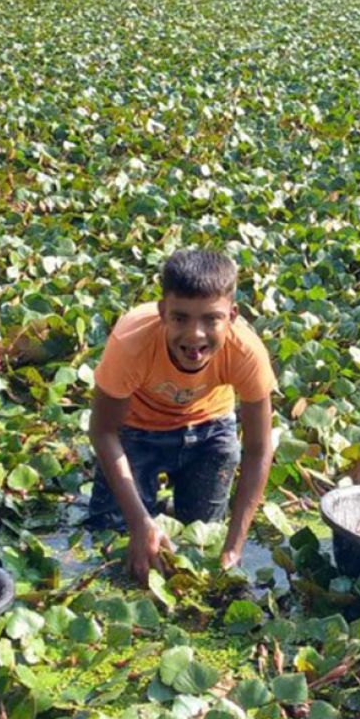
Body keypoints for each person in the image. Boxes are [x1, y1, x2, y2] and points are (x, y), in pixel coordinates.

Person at [86, 249, 276, 584]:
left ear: (232, 315)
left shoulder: (247, 353)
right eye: (180, 318)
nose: (194, 335)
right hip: (136, 431)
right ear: (162, 312)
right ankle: (148, 511)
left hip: (210, 429)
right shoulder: (131, 342)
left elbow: (259, 449)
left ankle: (165, 510)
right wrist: (138, 521)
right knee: (112, 543)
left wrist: (234, 547)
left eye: (211, 319)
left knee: (197, 544)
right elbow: (103, 431)